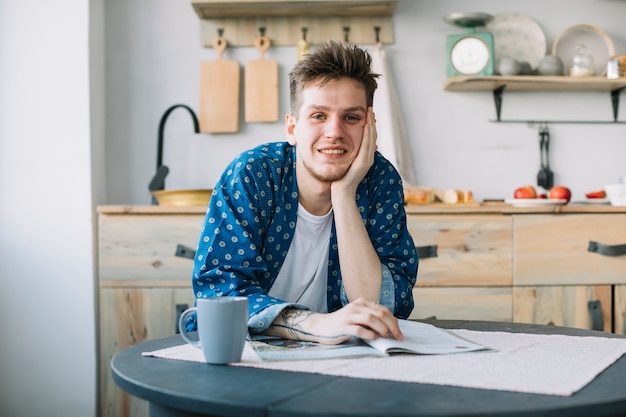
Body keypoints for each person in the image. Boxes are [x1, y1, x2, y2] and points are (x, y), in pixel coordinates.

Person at [189, 41, 418, 345]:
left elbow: (381, 308)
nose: (334, 132)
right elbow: (220, 289)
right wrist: (314, 324)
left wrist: (345, 193)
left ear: (370, 127)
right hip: (249, 353)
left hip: (348, 359)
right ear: (292, 128)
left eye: (351, 117)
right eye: (319, 116)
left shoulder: (380, 180)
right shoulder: (252, 175)